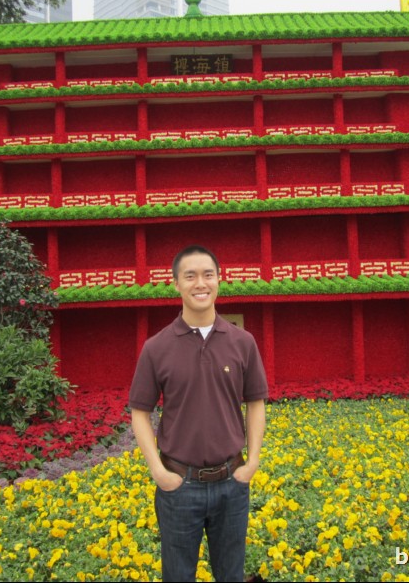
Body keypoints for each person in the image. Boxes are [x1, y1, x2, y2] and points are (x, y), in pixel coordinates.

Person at [129, 245, 269, 582]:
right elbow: (139, 412)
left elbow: (256, 403)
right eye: (189, 276)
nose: (200, 283)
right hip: (179, 486)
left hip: (232, 483)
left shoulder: (242, 342)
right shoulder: (156, 347)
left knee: (231, 575)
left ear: (219, 280)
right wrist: (159, 473)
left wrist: (252, 463)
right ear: (175, 283)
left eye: (208, 274)